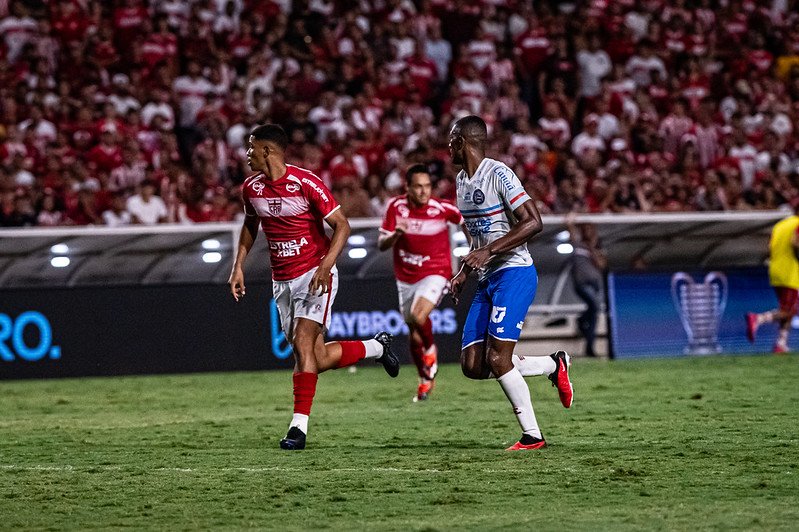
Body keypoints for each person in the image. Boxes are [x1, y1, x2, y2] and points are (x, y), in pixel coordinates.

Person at [229, 124, 400, 451]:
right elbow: (251, 224)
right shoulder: (250, 189)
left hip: (314, 273)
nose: (247, 154)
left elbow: (342, 226)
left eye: (251, 147)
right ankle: (376, 347)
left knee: (305, 345)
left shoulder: (306, 183)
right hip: (282, 281)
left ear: (268, 150)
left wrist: (325, 265)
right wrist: (238, 265)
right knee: (315, 357)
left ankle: (298, 428)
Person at [448, 115, 573, 451]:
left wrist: (489, 251)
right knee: (473, 366)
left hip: (514, 272)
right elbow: (478, 237)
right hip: (488, 277)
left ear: (462, 141)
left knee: (499, 359)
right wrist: (464, 272)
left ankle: (533, 436)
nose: (447, 148)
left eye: (450, 140)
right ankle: (553, 363)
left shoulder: (499, 173)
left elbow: (534, 222)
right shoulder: (461, 181)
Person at [378, 164, 470, 402]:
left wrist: (474, 248)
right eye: (418, 186)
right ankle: (424, 380)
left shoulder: (441, 208)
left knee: (419, 317)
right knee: (413, 330)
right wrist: (397, 234)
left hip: (436, 271)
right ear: (407, 187)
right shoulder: (395, 207)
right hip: (405, 277)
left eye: (427, 186)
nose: (423, 191)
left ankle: (431, 352)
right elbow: (382, 243)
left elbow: (464, 219)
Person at [746, 202, 799, 353]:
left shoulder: (779, 226)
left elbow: (769, 247)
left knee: (787, 308)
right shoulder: (798, 223)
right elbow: (795, 242)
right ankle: (758, 319)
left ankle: (781, 344)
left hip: (775, 269)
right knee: (789, 311)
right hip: (790, 271)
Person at [566, 213, 607, 357]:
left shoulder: (596, 248)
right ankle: (589, 347)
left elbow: (601, 265)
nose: (588, 231)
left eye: (590, 229)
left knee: (594, 313)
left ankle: (583, 324)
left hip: (594, 285)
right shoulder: (577, 244)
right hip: (582, 284)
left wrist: (592, 249)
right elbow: (570, 228)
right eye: (585, 228)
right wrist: (571, 221)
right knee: (594, 308)